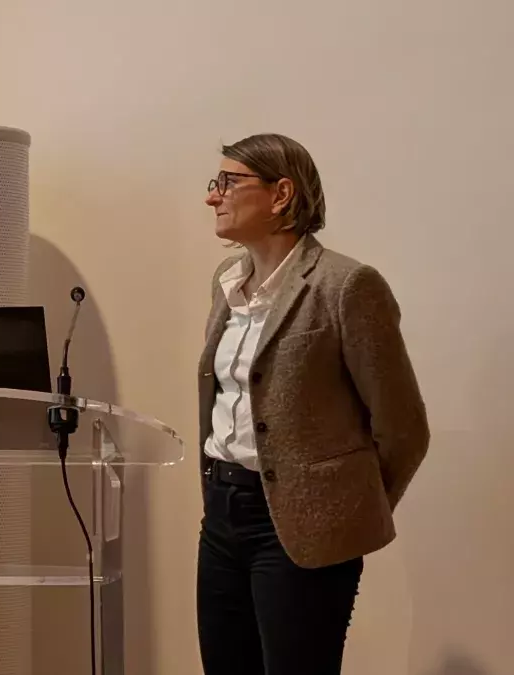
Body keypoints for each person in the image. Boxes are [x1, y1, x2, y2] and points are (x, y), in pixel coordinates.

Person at [195, 133, 429, 674]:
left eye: (229, 182)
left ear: (281, 194)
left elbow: (404, 428)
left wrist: (342, 512)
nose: (213, 196)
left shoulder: (346, 286)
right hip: (223, 515)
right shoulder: (226, 283)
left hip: (304, 526)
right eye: (215, 182)